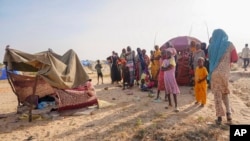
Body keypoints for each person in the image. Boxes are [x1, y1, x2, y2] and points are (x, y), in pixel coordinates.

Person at [208, 29, 238, 125]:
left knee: (217, 95)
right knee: (225, 93)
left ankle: (219, 118)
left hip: (214, 73)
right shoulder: (229, 44)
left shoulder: (211, 46)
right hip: (225, 73)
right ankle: (229, 115)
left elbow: (208, 58)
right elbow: (235, 59)